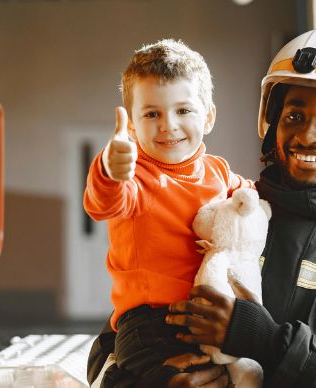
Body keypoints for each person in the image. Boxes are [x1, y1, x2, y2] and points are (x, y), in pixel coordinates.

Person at [88, 25, 316, 388]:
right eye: (293, 116)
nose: (307, 135)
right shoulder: (225, 213)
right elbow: (110, 347)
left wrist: (272, 343)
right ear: (272, 122)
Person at [83, 39, 252, 387]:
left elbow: (252, 198)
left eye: (183, 110)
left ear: (208, 117)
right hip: (151, 326)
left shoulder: (217, 171)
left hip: (207, 319)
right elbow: (105, 202)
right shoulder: (138, 178)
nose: (168, 125)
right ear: (131, 126)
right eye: (151, 114)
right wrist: (108, 168)